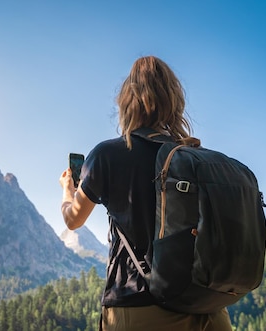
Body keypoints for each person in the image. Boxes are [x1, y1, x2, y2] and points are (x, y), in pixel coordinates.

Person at [59, 56, 233, 331]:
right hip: (209, 309)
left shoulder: (108, 154)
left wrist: (68, 192)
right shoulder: (193, 156)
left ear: (127, 100)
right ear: (174, 99)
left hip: (140, 307)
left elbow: (73, 220)